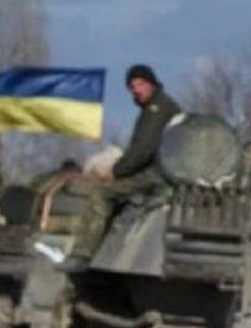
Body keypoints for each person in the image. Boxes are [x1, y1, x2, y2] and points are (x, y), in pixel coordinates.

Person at [64, 64, 182, 267]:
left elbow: (143, 149)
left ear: (151, 84)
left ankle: (82, 254)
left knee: (102, 194)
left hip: (157, 174)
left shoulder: (157, 109)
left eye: (141, 84)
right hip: (160, 171)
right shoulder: (158, 106)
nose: (137, 90)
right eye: (132, 86)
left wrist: (116, 171)